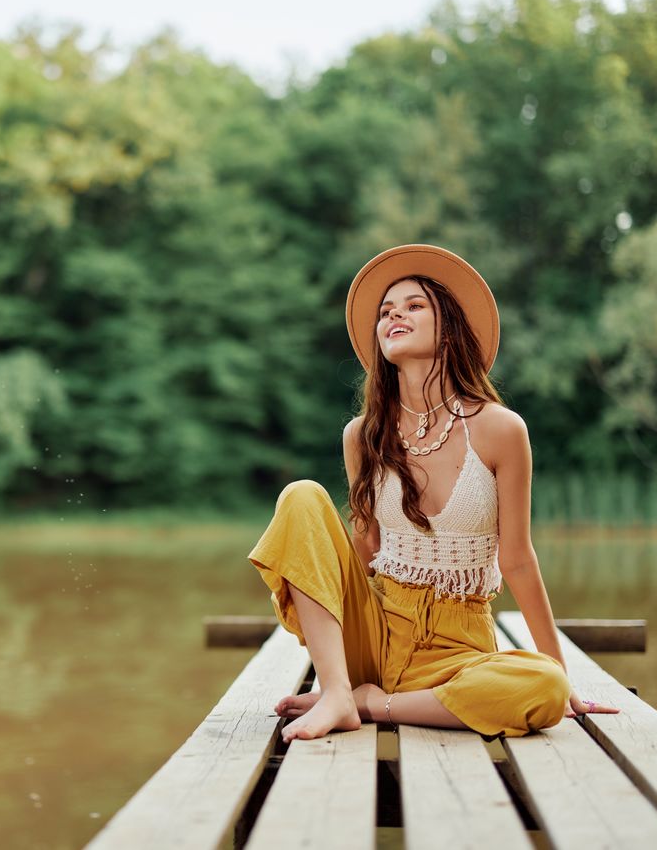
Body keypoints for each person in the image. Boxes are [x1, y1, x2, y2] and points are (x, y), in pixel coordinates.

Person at [248, 243, 620, 744]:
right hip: (378, 631)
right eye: (386, 311)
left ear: (449, 327)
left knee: (545, 687)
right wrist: (332, 639)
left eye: (413, 305)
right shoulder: (363, 435)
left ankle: (366, 703)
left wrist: (560, 668)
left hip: (459, 650)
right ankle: (338, 691)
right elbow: (365, 548)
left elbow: (517, 559)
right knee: (300, 496)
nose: (394, 315)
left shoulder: (500, 429)